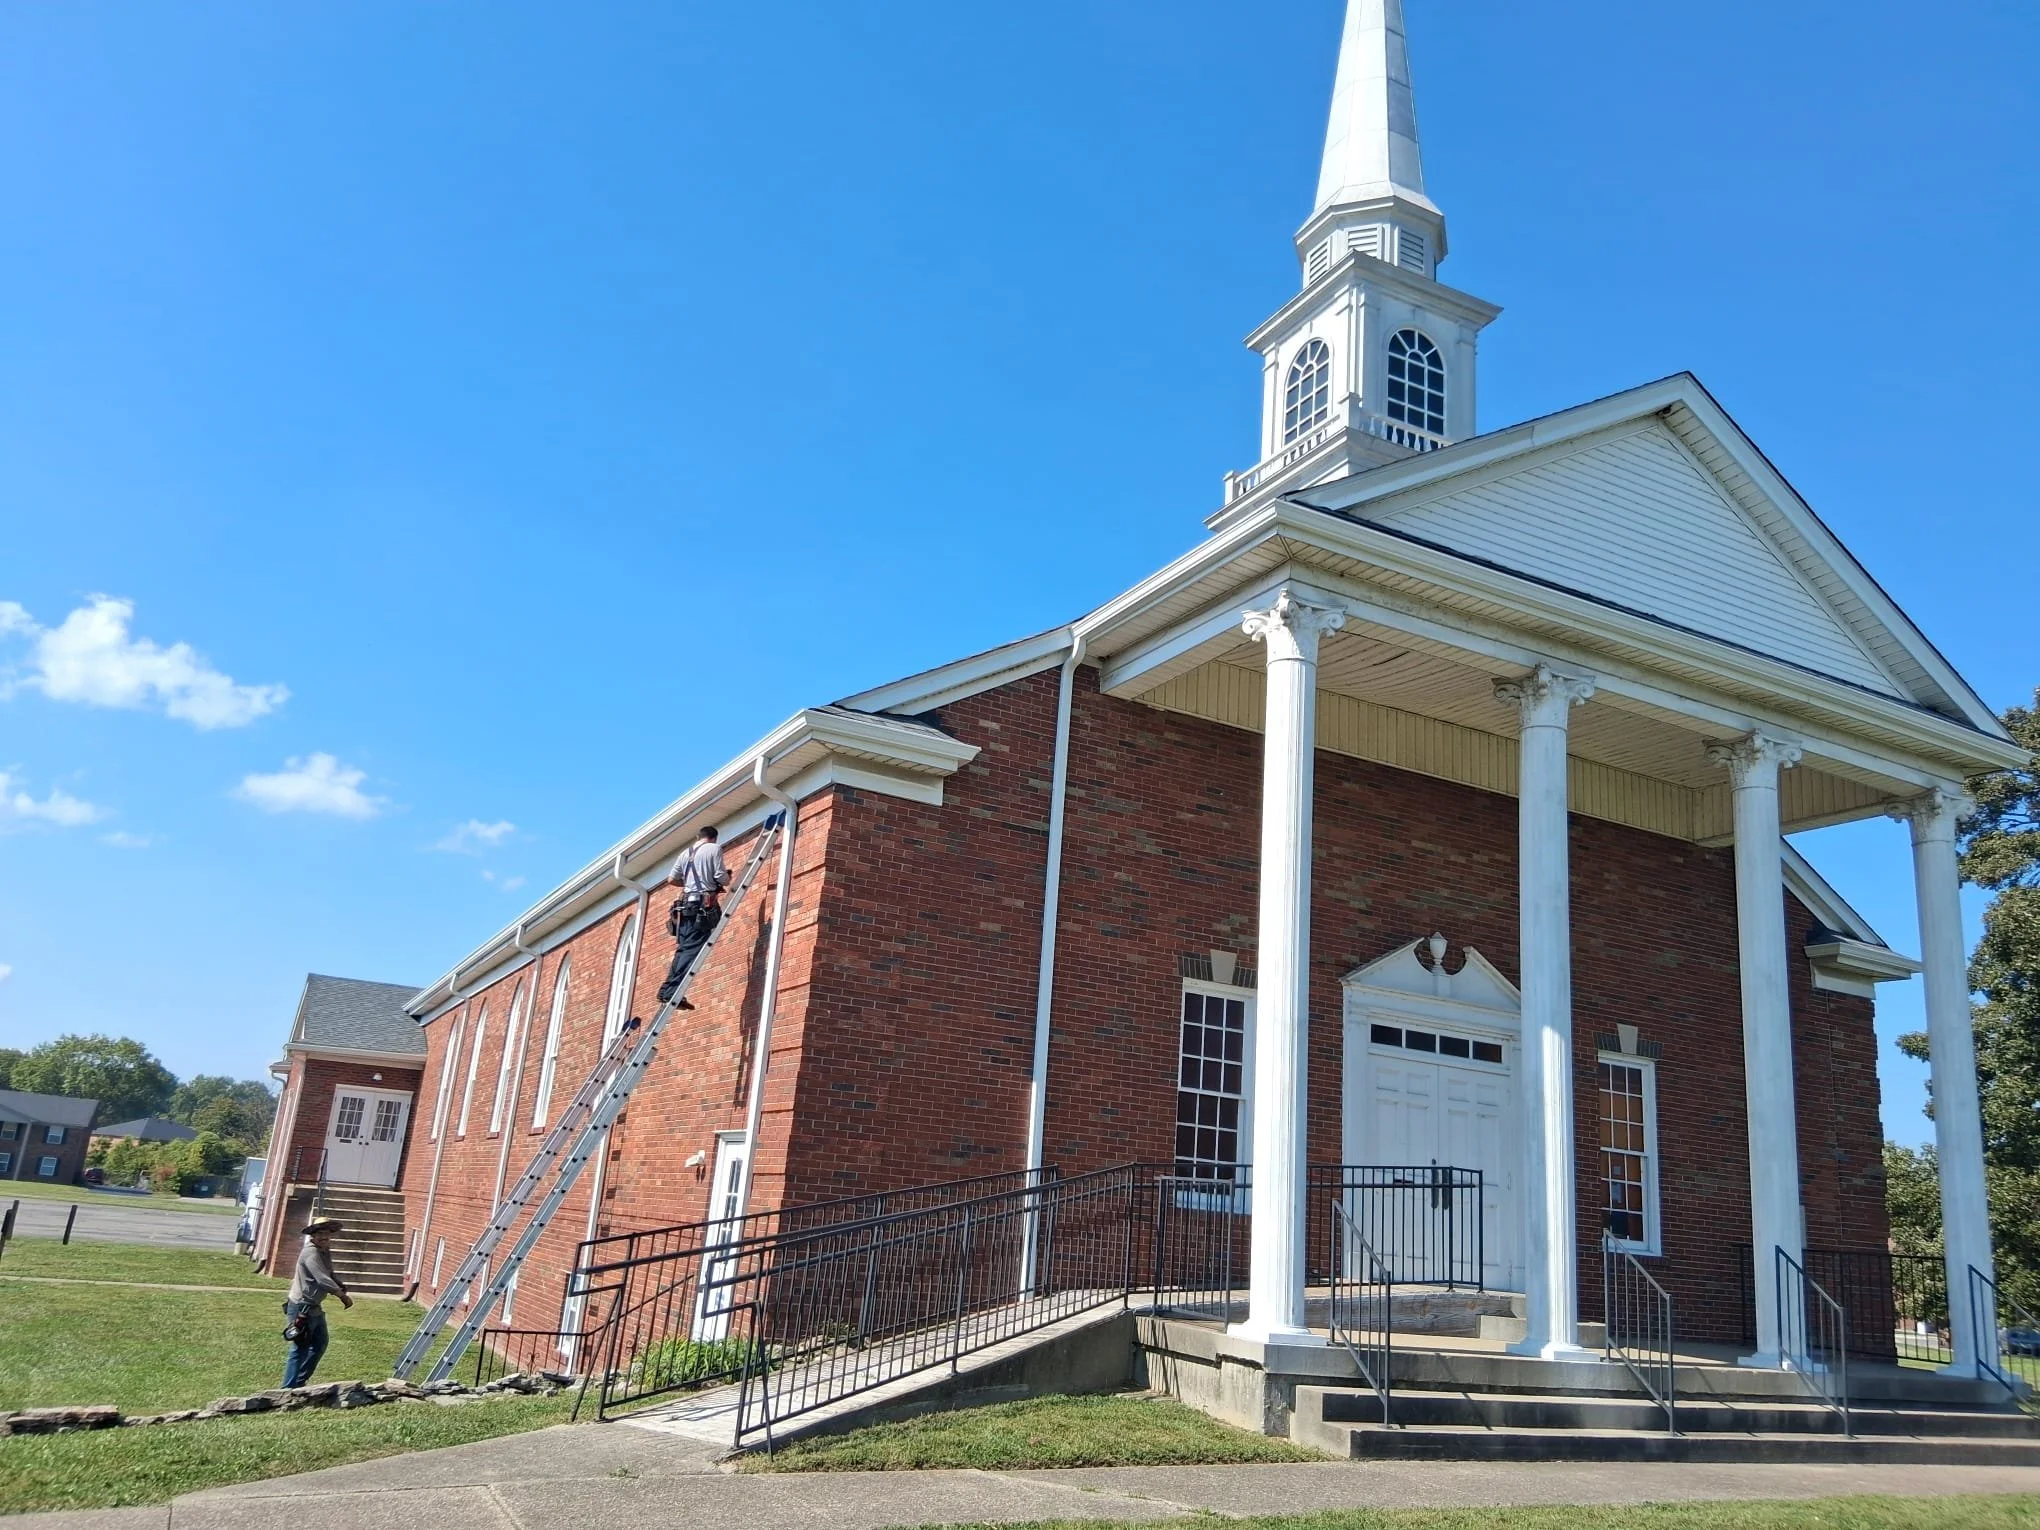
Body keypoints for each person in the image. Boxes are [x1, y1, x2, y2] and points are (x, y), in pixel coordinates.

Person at [656, 825, 731, 1009]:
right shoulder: (714, 849)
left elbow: (672, 879)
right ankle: (669, 991)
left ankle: (669, 990)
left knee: (684, 949)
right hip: (700, 907)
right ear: (714, 838)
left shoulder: (685, 853)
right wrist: (724, 880)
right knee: (691, 950)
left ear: (699, 837)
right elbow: (721, 877)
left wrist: (690, 883)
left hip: (685, 908)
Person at [282, 1216, 352, 1388]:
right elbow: (321, 1278)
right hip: (301, 1307)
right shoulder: (311, 1252)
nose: (324, 1237)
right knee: (300, 1348)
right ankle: (288, 1388)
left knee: (320, 1343)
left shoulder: (324, 1250)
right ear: (313, 1236)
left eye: (327, 1234)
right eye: (320, 1234)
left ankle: (300, 1381)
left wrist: (339, 1282)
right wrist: (341, 1295)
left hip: (315, 1307)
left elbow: (328, 1272)